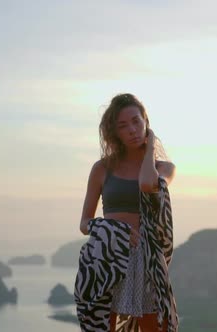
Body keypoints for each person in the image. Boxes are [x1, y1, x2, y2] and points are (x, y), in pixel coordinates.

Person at [78, 93, 176, 331]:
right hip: (109, 257)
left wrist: (151, 144)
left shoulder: (164, 168)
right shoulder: (102, 169)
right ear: (115, 133)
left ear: (146, 122)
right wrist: (112, 229)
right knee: (106, 327)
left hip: (147, 259)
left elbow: (146, 185)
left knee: (154, 326)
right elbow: (85, 222)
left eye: (136, 121)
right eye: (123, 126)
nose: (132, 130)